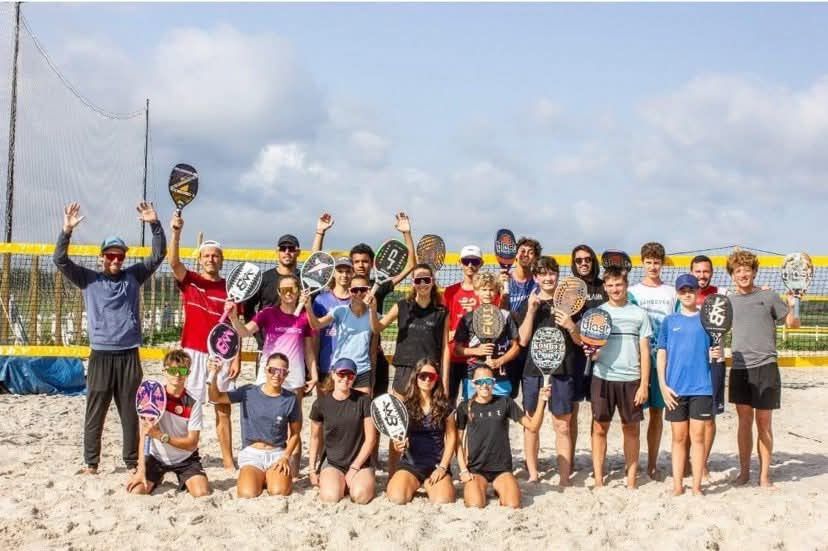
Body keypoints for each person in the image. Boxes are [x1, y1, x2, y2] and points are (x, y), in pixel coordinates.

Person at [53, 201, 166, 474]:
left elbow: (159, 254)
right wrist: (66, 230)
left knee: (130, 411)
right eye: (110, 256)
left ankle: (131, 462)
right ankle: (91, 464)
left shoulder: (133, 277)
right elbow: (60, 260)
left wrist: (155, 224)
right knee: (96, 411)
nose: (115, 260)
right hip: (101, 354)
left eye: (119, 256)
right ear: (102, 257)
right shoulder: (88, 279)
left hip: (129, 353)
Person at [168, 212, 240, 470]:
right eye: (206, 255)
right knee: (190, 409)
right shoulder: (191, 282)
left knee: (222, 409)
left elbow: (235, 328)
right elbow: (173, 262)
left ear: (221, 260)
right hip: (192, 352)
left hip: (220, 356)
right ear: (200, 259)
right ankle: (189, 456)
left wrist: (236, 358)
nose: (211, 259)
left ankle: (229, 460)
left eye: (215, 255)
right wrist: (176, 231)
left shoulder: (231, 289)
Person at [224, 273, 318, 473]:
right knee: (266, 418)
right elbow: (244, 332)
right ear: (278, 293)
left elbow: (309, 350)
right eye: (284, 290)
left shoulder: (304, 318)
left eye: (292, 288)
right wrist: (233, 317)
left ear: (298, 291)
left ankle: (291, 470)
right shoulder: (268, 313)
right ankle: (260, 461)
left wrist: (315, 374)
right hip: (268, 374)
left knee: (294, 425)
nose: (289, 293)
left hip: (294, 376)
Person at [727, 250, 799, 488]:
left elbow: (793, 324)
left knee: (764, 423)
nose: (743, 274)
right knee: (744, 422)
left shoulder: (768, 297)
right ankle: (745, 471)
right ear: (732, 275)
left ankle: (765, 475)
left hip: (766, 366)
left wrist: (794, 304)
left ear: (755, 272)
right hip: (740, 368)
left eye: (747, 270)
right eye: (738, 271)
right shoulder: (729, 301)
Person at [516, 256, 582, 485]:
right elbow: (523, 340)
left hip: (562, 371)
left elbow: (581, 340)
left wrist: (571, 325)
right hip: (534, 371)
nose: (547, 278)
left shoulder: (570, 303)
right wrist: (531, 312)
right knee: (532, 423)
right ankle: (533, 473)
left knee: (562, 424)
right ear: (535, 277)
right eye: (542, 274)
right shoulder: (530, 302)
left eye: (551, 273)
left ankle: (565, 477)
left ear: (557, 276)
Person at [242, 214, 331, 375]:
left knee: (295, 397)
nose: (287, 252)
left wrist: (320, 233)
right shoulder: (264, 278)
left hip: (297, 349)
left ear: (298, 253)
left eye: (291, 249)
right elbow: (248, 309)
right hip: (269, 349)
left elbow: (315, 261)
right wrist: (259, 336)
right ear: (278, 251)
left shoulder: (304, 279)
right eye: (283, 248)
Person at [656, 274, 718, 496]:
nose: (687, 294)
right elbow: (661, 355)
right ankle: (677, 485)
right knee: (678, 438)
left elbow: (717, 352)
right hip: (675, 389)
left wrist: (718, 353)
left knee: (698, 437)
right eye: (682, 291)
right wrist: (663, 385)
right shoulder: (669, 321)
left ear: (697, 291)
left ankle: (697, 486)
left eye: (690, 290)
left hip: (701, 387)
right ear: (677, 293)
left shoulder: (707, 320)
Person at [591, 267, 652, 489]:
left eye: (619, 284)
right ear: (605, 287)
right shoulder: (598, 313)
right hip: (603, 377)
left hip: (631, 379)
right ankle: (598, 479)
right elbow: (592, 349)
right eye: (611, 285)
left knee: (631, 428)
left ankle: (631, 480)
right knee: (599, 427)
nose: (615, 289)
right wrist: (593, 353)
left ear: (626, 286)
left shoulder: (639, 314)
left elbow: (645, 351)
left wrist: (644, 384)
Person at [208, 352, 301, 497]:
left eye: (282, 371)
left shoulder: (290, 399)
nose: (277, 375)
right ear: (265, 369)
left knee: (279, 492)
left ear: (287, 374)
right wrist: (213, 374)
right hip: (252, 454)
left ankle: (268, 477)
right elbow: (216, 397)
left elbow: (295, 434)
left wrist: (285, 457)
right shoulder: (248, 391)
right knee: (247, 494)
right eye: (273, 370)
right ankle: (260, 477)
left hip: (277, 454)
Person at [456, 364, 550, 509]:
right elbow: (457, 441)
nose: (484, 385)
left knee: (513, 505)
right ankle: (480, 488)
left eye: (488, 381)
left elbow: (533, 427)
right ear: (473, 384)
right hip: (476, 469)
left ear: (494, 382)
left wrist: (541, 401)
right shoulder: (464, 407)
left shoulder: (505, 402)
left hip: (502, 469)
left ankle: (498, 489)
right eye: (480, 381)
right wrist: (463, 470)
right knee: (475, 504)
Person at [349, 212, 416, 396]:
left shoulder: (380, 286)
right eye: (357, 262)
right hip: (351, 353)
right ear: (351, 264)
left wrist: (406, 233)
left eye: (365, 261)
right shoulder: (345, 287)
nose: (361, 265)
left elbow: (411, 265)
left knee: (376, 401)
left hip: (374, 352)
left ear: (372, 263)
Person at [127, 350, 209, 497]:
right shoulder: (153, 397)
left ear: (188, 373)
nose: (177, 375)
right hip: (157, 458)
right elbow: (143, 435)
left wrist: (160, 436)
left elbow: (192, 443)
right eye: (172, 370)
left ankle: (183, 477)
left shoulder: (193, 402)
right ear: (164, 371)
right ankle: (158, 477)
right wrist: (141, 470)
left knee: (202, 493)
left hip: (186, 459)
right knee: (136, 492)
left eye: (182, 370)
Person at [629, 241, 675, 479]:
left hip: (661, 359)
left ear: (662, 263)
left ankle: (653, 463)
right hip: (636, 359)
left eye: (657, 262)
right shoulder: (633, 292)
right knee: (634, 414)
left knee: (657, 413)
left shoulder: (671, 292)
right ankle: (634, 463)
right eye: (649, 262)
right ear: (643, 262)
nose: (653, 266)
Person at [386, 358, 457, 505]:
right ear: (416, 377)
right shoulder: (404, 406)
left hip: (436, 464)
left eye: (431, 376)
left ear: (437, 379)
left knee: (443, 500)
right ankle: (414, 482)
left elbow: (451, 438)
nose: (426, 380)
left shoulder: (445, 405)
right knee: (397, 498)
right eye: (422, 375)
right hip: (411, 464)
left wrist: (443, 467)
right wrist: (398, 445)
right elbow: (396, 441)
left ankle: (430, 484)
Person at [308, 358, 378, 504]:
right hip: (334, 462)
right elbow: (314, 438)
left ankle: (356, 482)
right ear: (333, 374)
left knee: (360, 496)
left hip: (360, 463)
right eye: (341, 374)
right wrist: (311, 469)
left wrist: (355, 467)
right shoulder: (321, 404)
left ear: (354, 378)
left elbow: (371, 439)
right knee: (330, 497)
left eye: (350, 375)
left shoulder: (364, 401)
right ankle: (339, 482)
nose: (345, 379)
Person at [377, 263, 448, 396]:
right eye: (418, 280)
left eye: (426, 280)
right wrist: (371, 307)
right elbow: (377, 328)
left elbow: (445, 348)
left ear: (432, 282)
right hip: (404, 369)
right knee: (400, 414)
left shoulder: (441, 312)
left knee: (426, 415)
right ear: (413, 283)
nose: (422, 284)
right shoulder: (402, 306)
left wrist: (445, 381)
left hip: (429, 370)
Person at [304, 275, 379, 394]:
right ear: (350, 291)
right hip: (340, 369)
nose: (359, 293)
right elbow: (316, 325)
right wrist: (308, 306)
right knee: (336, 409)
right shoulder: (340, 311)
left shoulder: (374, 316)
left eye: (363, 289)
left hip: (363, 371)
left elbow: (373, 351)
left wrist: (373, 376)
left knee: (361, 410)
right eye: (355, 290)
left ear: (369, 290)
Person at [453, 271, 519, 400]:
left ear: (496, 291)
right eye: (483, 289)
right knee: (473, 415)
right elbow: (457, 349)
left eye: (491, 289)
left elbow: (516, 347)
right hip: (473, 376)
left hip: (499, 376)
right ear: (476, 291)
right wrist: (477, 350)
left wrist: (499, 361)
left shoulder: (505, 316)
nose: (488, 293)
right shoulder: (468, 318)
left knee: (500, 415)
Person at [443, 245, 497, 402]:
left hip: (477, 360)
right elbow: (442, 324)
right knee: (448, 402)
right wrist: (451, 333)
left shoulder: (488, 291)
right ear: (460, 262)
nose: (470, 265)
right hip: (453, 356)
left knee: (473, 402)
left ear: (481, 263)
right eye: (466, 261)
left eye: (475, 261)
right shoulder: (449, 292)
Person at [690, 254, 723, 478]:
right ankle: (686, 462)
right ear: (691, 272)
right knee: (684, 419)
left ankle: (703, 463)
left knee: (709, 417)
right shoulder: (682, 295)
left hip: (713, 361)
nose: (702, 275)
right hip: (688, 362)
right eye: (698, 271)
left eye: (706, 271)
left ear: (711, 273)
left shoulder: (721, 295)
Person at [499, 237, 541, 400]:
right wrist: (502, 293)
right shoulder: (503, 279)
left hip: (530, 348)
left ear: (535, 258)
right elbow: (498, 313)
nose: (526, 255)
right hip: (508, 346)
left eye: (531, 253)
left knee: (531, 401)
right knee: (505, 399)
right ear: (515, 255)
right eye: (522, 251)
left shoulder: (538, 283)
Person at [312, 256, 355, 387]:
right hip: (326, 364)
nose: (344, 275)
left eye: (348, 271)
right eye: (340, 271)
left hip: (350, 366)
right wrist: (315, 363)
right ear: (334, 273)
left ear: (352, 274)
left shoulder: (357, 300)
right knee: (324, 405)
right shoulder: (321, 300)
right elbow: (315, 336)